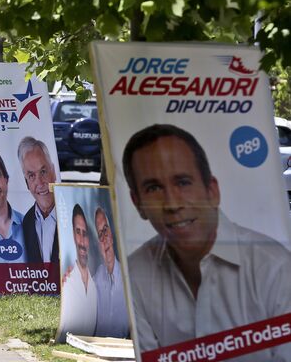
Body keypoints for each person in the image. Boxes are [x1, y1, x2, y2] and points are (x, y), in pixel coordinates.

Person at [122, 124, 291, 359]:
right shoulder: (136, 272)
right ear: (137, 202)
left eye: (182, 182)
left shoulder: (274, 267)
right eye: (154, 188)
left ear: (212, 191)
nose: (172, 204)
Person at [17, 136, 58, 264]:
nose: (39, 182)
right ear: (27, 183)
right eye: (31, 176)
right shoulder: (25, 224)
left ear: (53, 172)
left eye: (43, 171)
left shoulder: (72, 214)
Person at [58, 204, 97, 339]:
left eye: (84, 234)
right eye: (77, 232)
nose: (81, 241)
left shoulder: (95, 287)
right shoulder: (67, 282)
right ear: (73, 235)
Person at [92, 207, 130, 338]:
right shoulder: (96, 278)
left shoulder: (128, 277)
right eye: (99, 234)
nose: (104, 238)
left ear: (112, 234)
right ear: (97, 243)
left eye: (105, 230)